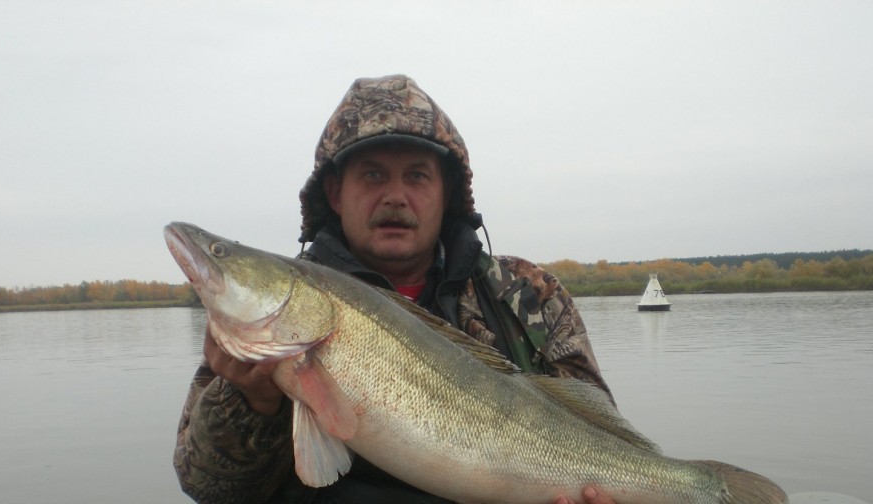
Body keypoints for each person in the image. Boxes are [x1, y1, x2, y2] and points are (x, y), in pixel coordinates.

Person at [174, 75, 619, 504]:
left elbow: (605, 433)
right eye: (372, 175)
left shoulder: (529, 297)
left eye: (418, 176)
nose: (395, 196)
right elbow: (211, 488)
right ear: (334, 193)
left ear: (447, 192)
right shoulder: (269, 330)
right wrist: (254, 400)